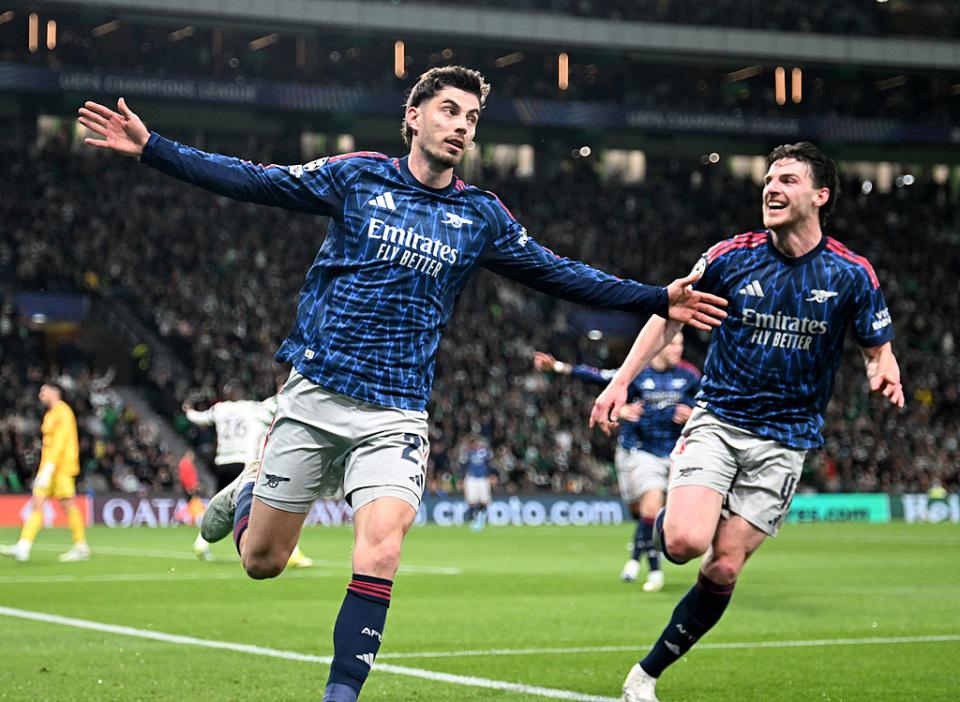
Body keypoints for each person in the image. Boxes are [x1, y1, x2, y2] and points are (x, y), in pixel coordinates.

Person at [78, 65, 727, 701]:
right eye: (449, 110)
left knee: (381, 553)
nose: (462, 126)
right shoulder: (357, 176)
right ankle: (251, 490)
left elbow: (558, 272)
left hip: (396, 414)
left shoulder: (480, 215)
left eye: (472, 117)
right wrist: (154, 148)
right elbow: (256, 179)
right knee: (262, 562)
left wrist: (655, 297)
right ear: (413, 117)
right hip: (315, 396)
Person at [589, 142, 904, 702]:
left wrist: (885, 369)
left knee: (724, 569)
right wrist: (619, 381)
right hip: (720, 420)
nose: (772, 188)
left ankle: (645, 676)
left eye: (787, 180)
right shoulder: (732, 256)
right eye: (768, 180)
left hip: (787, 441)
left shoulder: (851, 273)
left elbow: (876, 346)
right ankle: (669, 521)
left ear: (820, 196)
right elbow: (668, 315)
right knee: (684, 543)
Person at [533, 331, 699, 592]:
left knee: (651, 511)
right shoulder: (637, 373)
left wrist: (693, 415)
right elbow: (599, 377)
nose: (678, 349)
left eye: (681, 344)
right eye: (673, 344)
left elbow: (707, 405)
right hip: (640, 451)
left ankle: (648, 568)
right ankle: (644, 563)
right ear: (660, 346)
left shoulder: (689, 376)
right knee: (644, 510)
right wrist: (558, 367)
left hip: (675, 452)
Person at [184, 387, 313, 568]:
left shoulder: (220, 409)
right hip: (246, 463)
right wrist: (287, 389)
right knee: (267, 506)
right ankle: (292, 552)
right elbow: (280, 402)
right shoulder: (254, 408)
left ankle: (201, 543)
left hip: (223, 462)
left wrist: (189, 411)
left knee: (219, 508)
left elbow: (200, 418)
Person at [0, 383, 89, 562]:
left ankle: (81, 547)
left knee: (68, 504)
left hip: (61, 467)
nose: (40, 394)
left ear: (54, 392)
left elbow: (60, 442)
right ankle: (23, 547)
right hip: (48, 466)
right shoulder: (50, 414)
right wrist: (45, 468)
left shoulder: (63, 412)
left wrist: (49, 468)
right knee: (37, 503)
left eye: (44, 391)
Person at [457, 434, 495, 531]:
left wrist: (492, 475)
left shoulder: (484, 452)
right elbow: (463, 467)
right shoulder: (466, 453)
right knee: (472, 501)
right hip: (471, 479)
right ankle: (472, 520)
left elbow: (490, 464)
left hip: (483, 478)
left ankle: (482, 518)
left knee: (485, 501)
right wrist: (461, 479)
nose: (473, 444)